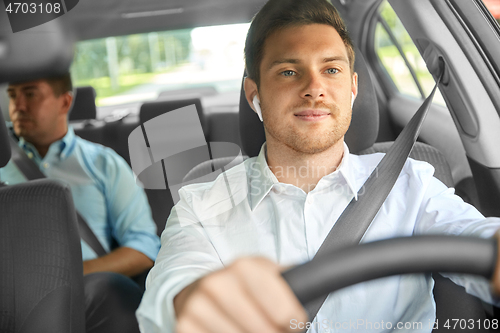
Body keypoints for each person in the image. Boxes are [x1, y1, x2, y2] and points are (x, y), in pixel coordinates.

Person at [136, 0, 500, 332]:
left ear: (353, 89)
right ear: (254, 94)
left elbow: (475, 233)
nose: (315, 87)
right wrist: (191, 304)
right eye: (289, 72)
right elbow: (170, 291)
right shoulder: (200, 206)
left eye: (331, 69)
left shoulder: (411, 183)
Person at [0, 73, 161, 333]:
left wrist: (72, 275)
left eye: (30, 94)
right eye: (11, 96)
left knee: (110, 291)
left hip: (85, 292)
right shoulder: (2, 165)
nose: (17, 106)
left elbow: (143, 248)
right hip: (8, 294)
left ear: (64, 102)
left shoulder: (103, 164)